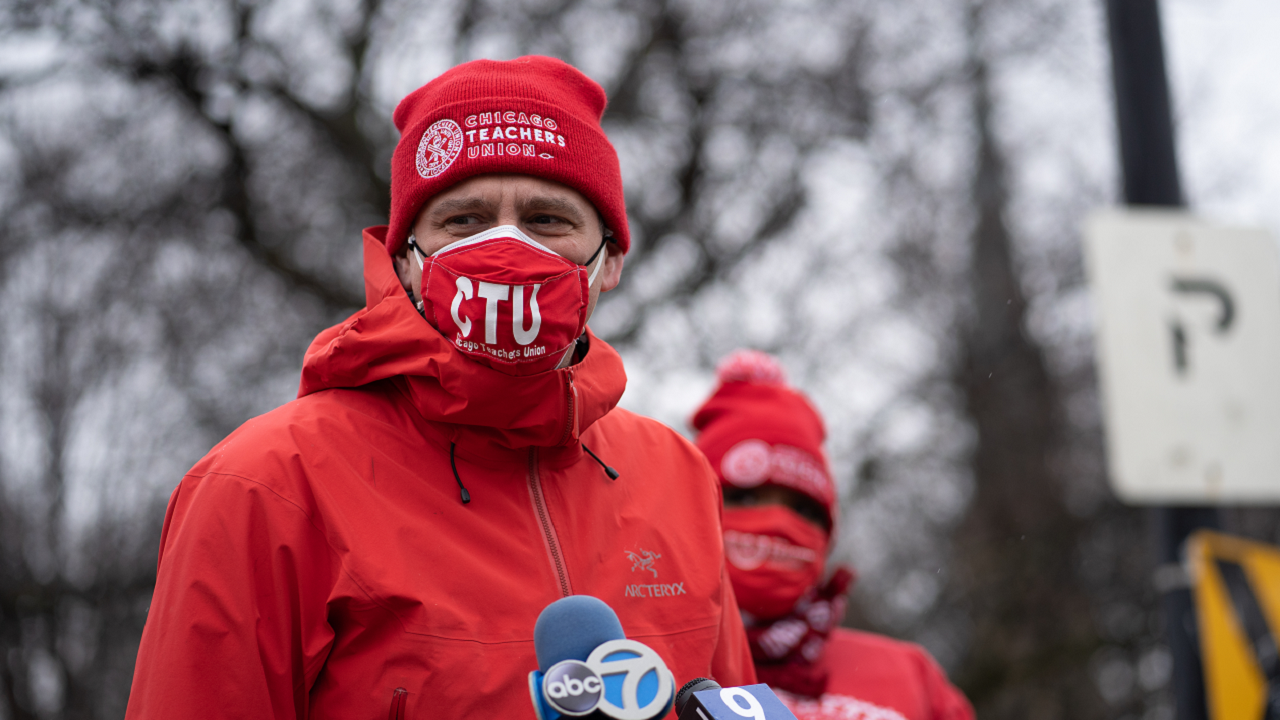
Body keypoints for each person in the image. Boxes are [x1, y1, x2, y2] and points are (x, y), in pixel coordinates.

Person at [126, 56, 754, 719]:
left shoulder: (679, 479)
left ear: (612, 260)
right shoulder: (266, 487)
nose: (506, 245)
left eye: (547, 220)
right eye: (464, 220)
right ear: (406, 259)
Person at [691, 350, 973, 720]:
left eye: (804, 508)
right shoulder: (635, 669)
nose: (777, 521)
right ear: (692, 507)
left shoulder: (912, 681)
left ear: (828, 535)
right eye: (744, 496)